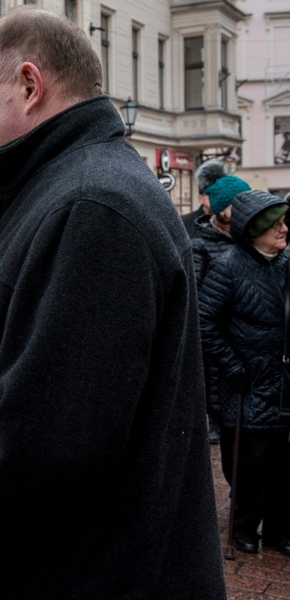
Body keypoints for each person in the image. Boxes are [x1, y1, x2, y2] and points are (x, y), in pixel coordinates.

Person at [0, 8, 225, 598]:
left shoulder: (91, 206)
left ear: (29, 85)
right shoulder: (65, 191)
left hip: (80, 572)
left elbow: (47, 437)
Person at [198, 190, 290, 556]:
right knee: (251, 466)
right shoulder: (228, 266)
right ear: (254, 231)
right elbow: (205, 321)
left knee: (284, 465)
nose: (285, 229)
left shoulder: (287, 262)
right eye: (275, 225)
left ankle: (280, 529)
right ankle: (244, 527)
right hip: (248, 383)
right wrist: (232, 364)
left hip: (284, 384)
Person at [192, 158, 250, 445]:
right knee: (214, 379)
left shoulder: (247, 240)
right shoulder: (201, 245)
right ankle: (216, 421)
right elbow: (194, 293)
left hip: (244, 334)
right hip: (214, 334)